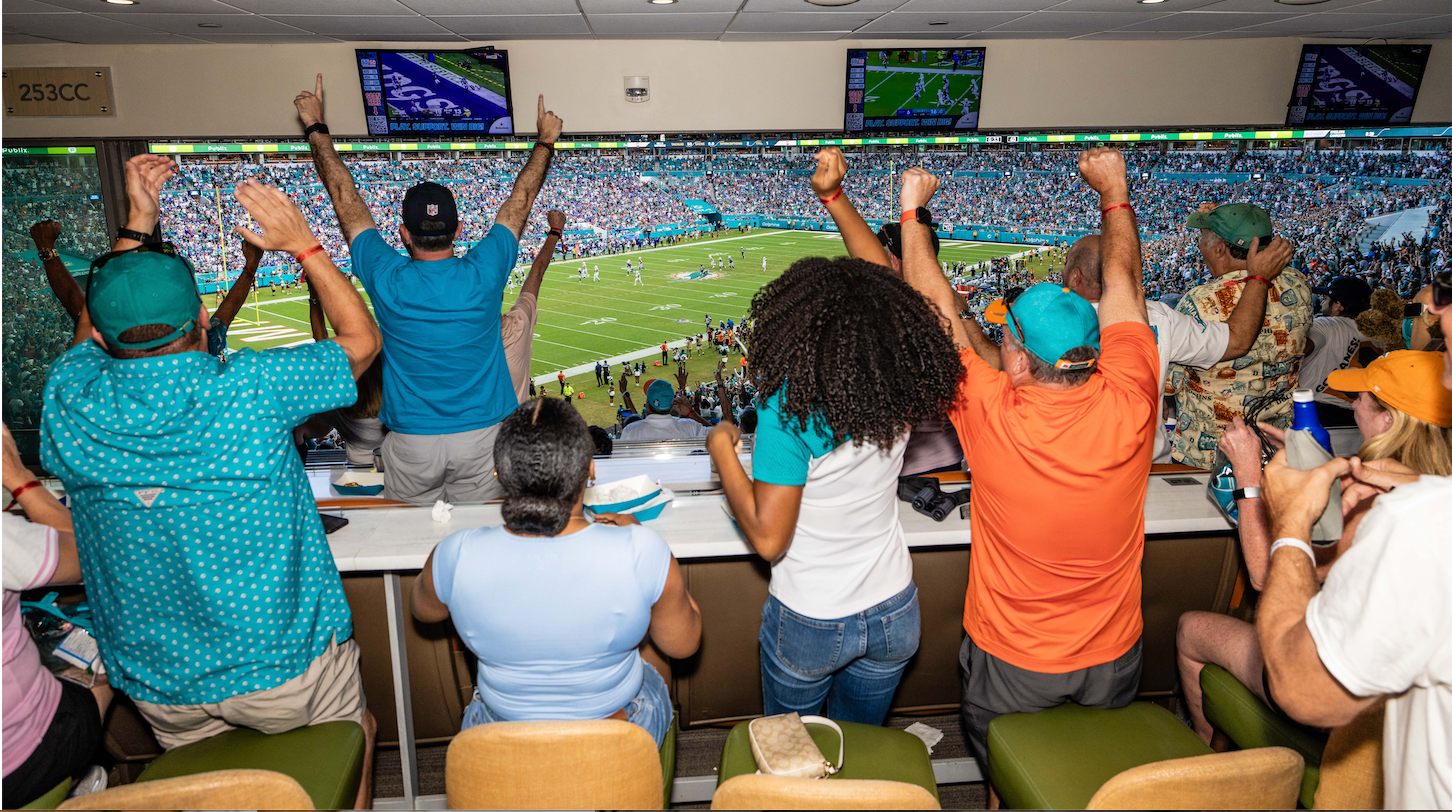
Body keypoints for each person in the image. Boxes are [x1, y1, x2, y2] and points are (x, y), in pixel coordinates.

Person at [39, 165, 381, 807]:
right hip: (285, 662)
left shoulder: (70, 398)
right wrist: (304, 243)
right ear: (201, 315)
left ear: (102, 339)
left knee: (220, 793)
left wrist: (138, 222)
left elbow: (93, 318)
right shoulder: (248, 389)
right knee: (354, 736)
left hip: (163, 682)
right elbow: (360, 342)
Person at [898, 150, 1158, 770]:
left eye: (1007, 337)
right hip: (1114, 649)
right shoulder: (1134, 397)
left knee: (1009, 778)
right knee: (1097, 776)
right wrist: (1115, 190)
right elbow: (1124, 283)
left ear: (1016, 361)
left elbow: (936, 308)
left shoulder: (992, 412)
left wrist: (912, 213)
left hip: (1013, 654)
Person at [707, 255, 962, 724]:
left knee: (795, 761)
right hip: (894, 605)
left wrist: (721, 448)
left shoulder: (788, 406)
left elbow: (768, 538)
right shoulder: (901, 382)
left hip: (812, 614)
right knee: (859, 749)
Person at [296, 73, 563, 504]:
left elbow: (344, 198)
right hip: (484, 434)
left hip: (412, 436)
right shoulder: (485, 271)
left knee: (409, 541)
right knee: (481, 540)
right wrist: (545, 141)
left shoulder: (387, 276)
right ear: (459, 229)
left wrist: (315, 127)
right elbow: (522, 198)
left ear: (402, 233)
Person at [1177, 350, 1452, 743]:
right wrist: (1312, 461)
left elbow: (1263, 575)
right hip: (1393, 672)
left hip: (1327, 683)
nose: (1352, 404)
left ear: (1388, 421)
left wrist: (1247, 474)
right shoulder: (1429, 484)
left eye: (1361, 398)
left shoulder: (1374, 502)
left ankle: (1203, 756)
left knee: (1191, 629)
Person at [1255, 270, 1452, 807]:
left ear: (1390, 419)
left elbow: (1301, 688)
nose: (1432, 308)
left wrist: (1285, 517)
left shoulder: (1418, 521)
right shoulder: (1423, 498)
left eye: (1447, 292)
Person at [409, 398, 701, 747]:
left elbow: (424, 610)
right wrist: (644, 549)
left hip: (497, 741)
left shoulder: (455, 553)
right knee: (651, 637)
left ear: (499, 475)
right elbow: (683, 645)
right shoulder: (642, 549)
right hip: (614, 742)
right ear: (591, 469)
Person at [1061, 232, 1293, 462]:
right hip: (1146, 467)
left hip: (1064, 463)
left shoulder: (1037, 320)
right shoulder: (1159, 316)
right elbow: (1237, 340)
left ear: (1075, 277)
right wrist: (1259, 278)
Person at [2, 426, 110, 808]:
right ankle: (78, 775)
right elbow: (87, 559)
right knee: (105, 649)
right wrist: (17, 477)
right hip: (19, 767)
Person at [1170, 202, 1313, 468]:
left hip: (1211, 454)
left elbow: (1170, 380)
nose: (1199, 246)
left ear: (1221, 249)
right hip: (1276, 448)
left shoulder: (1200, 302)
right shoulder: (1298, 284)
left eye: (1202, 239)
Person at [30, 221, 262, 360]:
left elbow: (74, 300)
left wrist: (47, 249)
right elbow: (227, 312)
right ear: (200, 315)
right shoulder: (207, 345)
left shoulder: (106, 362)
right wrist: (250, 266)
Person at [1302, 276, 1382, 427]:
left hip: (1316, 413)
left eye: (1326, 299)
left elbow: (1298, 349)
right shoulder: (1379, 336)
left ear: (1338, 305)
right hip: (1360, 417)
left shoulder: (1326, 325)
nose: (1322, 303)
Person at [503, 210, 565, 405]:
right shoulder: (516, 326)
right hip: (511, 429)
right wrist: (555, 231)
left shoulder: (451, 338)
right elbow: (537, 270)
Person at [619, 380, 710, 441]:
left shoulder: (631, 431)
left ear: (647, 405)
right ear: (672, 405)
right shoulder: (690, 427)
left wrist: (624, 393)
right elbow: (721, 435)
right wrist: (691, 413)